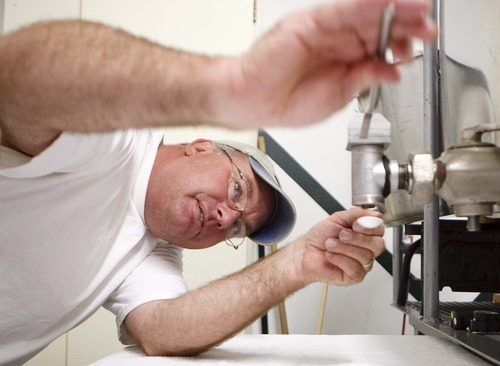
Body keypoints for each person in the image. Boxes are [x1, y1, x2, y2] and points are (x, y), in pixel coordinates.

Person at [0, 0, 437, 363]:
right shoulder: (119, 140)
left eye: (238, 228)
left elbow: (160, 332)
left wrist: (297, 263)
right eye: (237, 190)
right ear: (202, 146)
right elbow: (15, 81)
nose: (227, 217)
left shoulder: (152, 252)